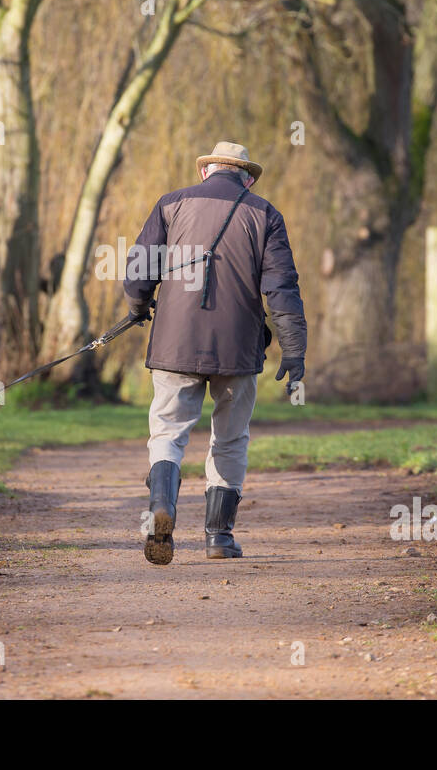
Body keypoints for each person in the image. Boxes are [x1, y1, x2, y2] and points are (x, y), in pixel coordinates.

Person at [125, 141, 307, 565]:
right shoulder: (265, 214)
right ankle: (219, 538)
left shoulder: (171, 204)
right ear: (247, 179)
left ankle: (161, 507)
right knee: (230, 438)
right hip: (238, 347)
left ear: (206, 171)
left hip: (175, 343)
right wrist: (294, 350)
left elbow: (139, 269)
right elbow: (281, 289)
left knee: (168, 431)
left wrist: (138, 306)